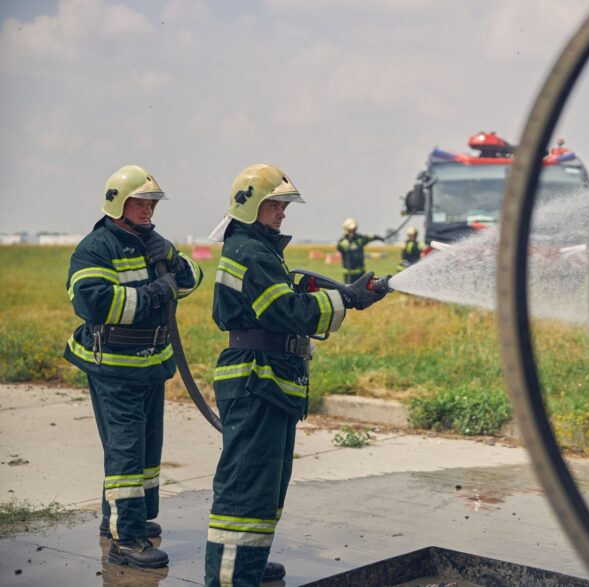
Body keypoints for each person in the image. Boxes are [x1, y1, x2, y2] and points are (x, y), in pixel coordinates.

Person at [205, 164, 387, 586]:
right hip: (256, 381)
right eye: (275, 205)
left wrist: (346, 294)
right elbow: (285, 311)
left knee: (266, 484)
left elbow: (286, 302)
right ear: (251, 207)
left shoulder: (260, 250)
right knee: (246, 488)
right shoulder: (250, 252)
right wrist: (350, 301)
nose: (282, 213)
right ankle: (232, 577)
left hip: (270, 382)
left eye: (283, 206)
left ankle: (249, 563)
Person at [64, 165, 203, 568]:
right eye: (140, 203)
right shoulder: (96, 247)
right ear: (117, 203)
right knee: (125, 451)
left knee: (144, 450)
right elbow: (91, 302)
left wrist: (174, 265)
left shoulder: (154, 242)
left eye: (151, 203)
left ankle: (123, 520)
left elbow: (193, 279)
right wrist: (151, 294)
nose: (147, 210)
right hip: (114, 367)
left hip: (152, 363)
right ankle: (128, 543)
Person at [336, 217, 384, 284]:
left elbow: (368, 237)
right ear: (346, 230)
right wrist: (349, 239)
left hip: (361, 273)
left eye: (354, 230)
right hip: (350, 275)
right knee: (350, 292)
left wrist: (378, 237)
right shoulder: (344, 241)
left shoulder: (359, 239)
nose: (353, 232)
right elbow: (340, 248)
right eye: (351, 230)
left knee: (362, 291)